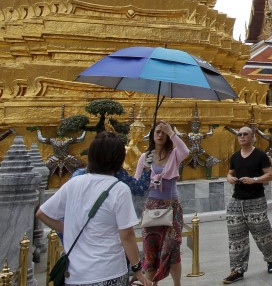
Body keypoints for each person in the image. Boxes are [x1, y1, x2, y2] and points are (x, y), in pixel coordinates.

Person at [36, 132, 152, 286]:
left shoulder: (74, 182)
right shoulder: (119, 189)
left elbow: (42, 213)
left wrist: (69, 229)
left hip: (75, 275)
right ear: (119, 159)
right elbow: (127, 235)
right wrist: (138, 269)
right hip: (110, 272)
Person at [134, 121, 189, 286]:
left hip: (172, 206)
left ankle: (177, 283)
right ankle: (151, 284)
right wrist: (146, 172)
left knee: (172, 248)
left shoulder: (174, 154)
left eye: (163, 133)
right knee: (151, 250)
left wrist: (171, 132)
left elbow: (185, 151)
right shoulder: (146, 157)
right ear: (152, 135)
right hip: (152, 206)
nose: (160, 135)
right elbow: (137, 183)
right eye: (157, 132)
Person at [223, 126, 272, 283]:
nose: (241, 136)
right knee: (236, 237)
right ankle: (237, 269)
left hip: (255, 200)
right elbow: (230, 173)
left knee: (263, 234)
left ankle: (271, 260)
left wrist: (253, 180)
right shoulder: (234, 157)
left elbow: (269, 175)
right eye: (239, 134)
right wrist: (229, 178)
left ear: (252, 136)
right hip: (237, 200)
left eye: (245, 134)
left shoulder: (260, 155)